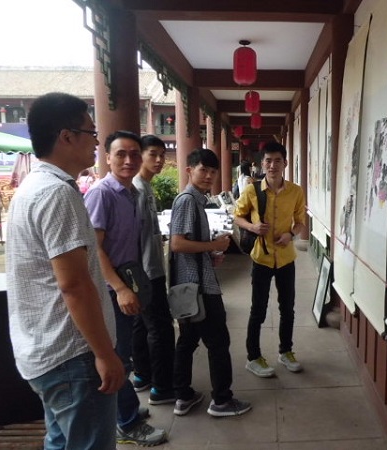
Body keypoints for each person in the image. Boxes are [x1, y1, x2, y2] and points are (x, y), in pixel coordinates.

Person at [6, 92, 125, 449]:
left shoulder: (32, 188)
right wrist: (105, 354)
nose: (96, 143)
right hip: (74, 356)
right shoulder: (57, 194)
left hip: (46, 352)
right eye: (91, 132)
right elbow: (74, 285)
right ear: (67, 136)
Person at [84, 130, 167, 446]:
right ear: (107, 158)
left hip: (127, 282)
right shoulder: (102, 194)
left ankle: (126, 408)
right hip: (110, 290)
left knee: (125, 354)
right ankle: (127, 424)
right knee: (118, 357)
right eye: (121, 154)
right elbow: (94, 249)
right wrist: (120, 289)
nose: (129, 160)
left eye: (134, 154)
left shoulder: (130, 192)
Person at [170, 148, 252, 417]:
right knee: (218, 343)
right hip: (199, 288)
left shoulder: (196, 200)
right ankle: (222, 401)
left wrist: (209, 254)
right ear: (189, 170)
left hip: (193, 284)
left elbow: (187, 244)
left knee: (188, 341)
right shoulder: (187, 201)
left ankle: (183, 396)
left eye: (212, 171)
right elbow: (177, 243)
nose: (208, 176)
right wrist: (213, 245)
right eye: (202, 170)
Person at [234, 141, 306, 378]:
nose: (272, 165)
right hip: (261, 258)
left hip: (285, 258)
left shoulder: (296, 191)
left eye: (277, 160)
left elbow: (300, 222)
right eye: (268, 161)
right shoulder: (252, 190)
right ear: (262, 164)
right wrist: (253, 227)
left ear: (285, 163)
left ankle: (286, 351)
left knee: (288, 309)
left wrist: (290, 234)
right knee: (258, 310)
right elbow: (238, 216)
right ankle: (253, 357)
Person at [130, 135, 176, 405]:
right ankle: (162, 387)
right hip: (147, 272)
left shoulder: (144, 186)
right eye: (153, 154)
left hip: (147, 268)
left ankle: (142, 375)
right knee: (160, 328)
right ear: (140, 156)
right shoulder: (136, 189)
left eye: (162, 155)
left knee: (141, 324)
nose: (159, 160)